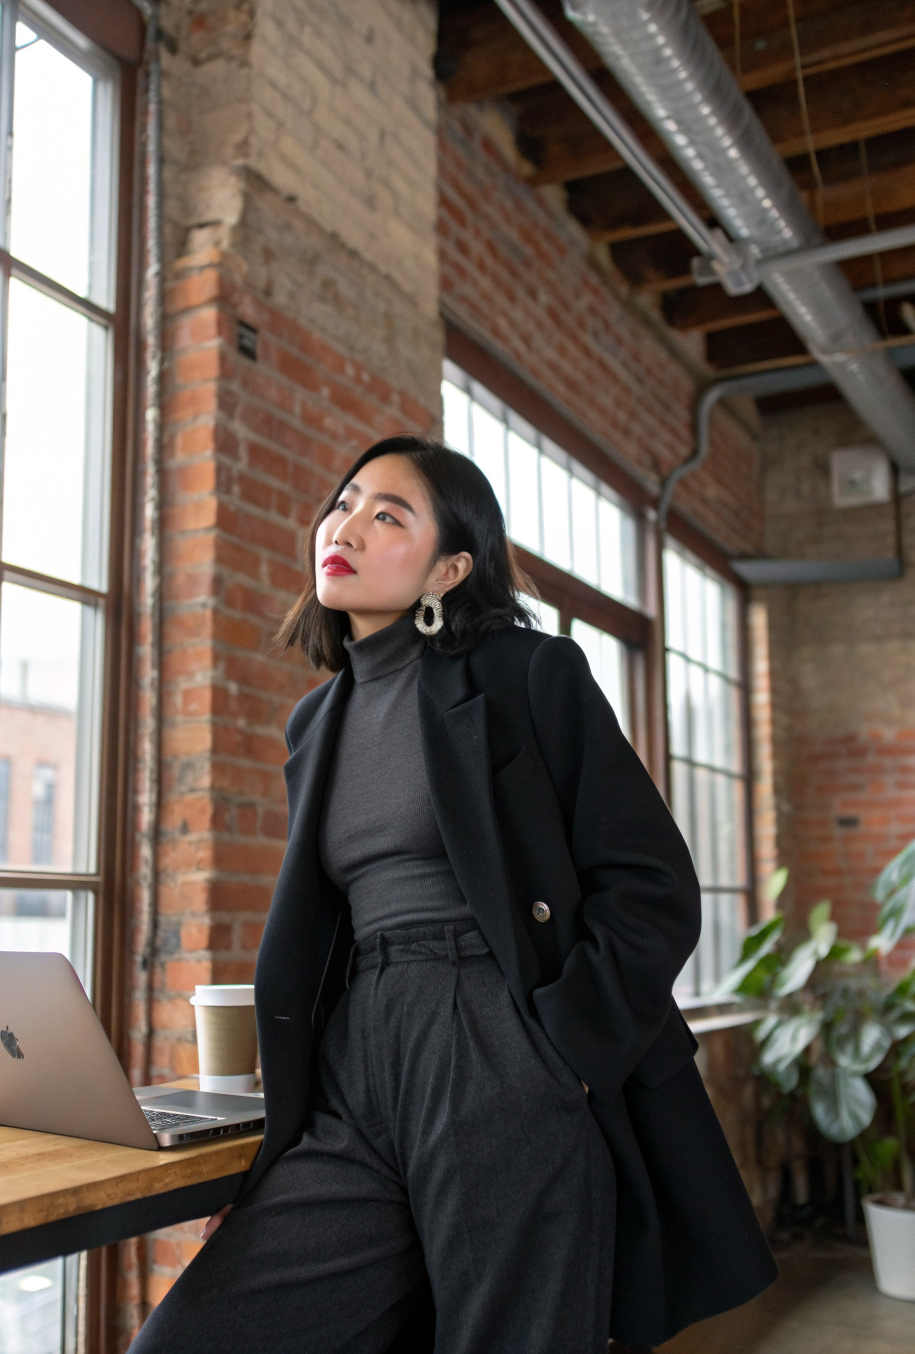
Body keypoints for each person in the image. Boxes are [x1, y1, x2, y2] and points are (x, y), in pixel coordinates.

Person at [130, 435, 776, 1354]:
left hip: (497, 1042)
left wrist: (561, 1051)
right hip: (359, 1061)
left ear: (450, 568)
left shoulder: (528, 674)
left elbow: (652, 883)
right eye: (344, 501)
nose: (344, 524)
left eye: (388, 514)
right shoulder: (314, 722)